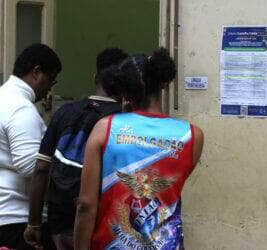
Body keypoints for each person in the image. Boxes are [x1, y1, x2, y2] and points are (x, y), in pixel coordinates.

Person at [74, 48, 204, 250]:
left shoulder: (105, 129)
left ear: (124, 92)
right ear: (163, 84)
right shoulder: (192, 136)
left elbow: (85, 205)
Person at [23, 48, 129, 249]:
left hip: (59, 223)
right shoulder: (123, 122)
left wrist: (34, 223)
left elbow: (41, 169)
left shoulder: (64, 113)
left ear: (95, 77)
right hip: (103, 223)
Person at [0, 43, 62, 249]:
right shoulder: (20, 108)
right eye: (50, 81)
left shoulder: (3, 98)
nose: (48, 91)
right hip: (18, 219)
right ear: (36, 72)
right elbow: (31, 166)